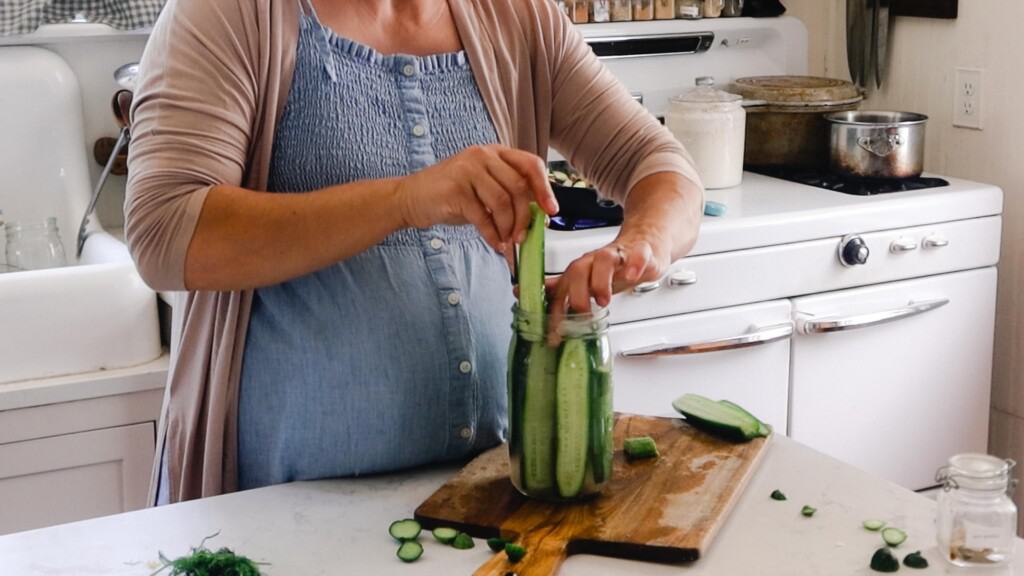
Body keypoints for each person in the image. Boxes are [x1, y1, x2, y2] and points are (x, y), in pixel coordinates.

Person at [126, 0, 703, 504]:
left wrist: (641, 244)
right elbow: (166, 231)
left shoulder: (518, 15)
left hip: (489, 491)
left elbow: (663, 168)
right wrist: (405, 200)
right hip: (285, 506)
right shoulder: (230, 12)